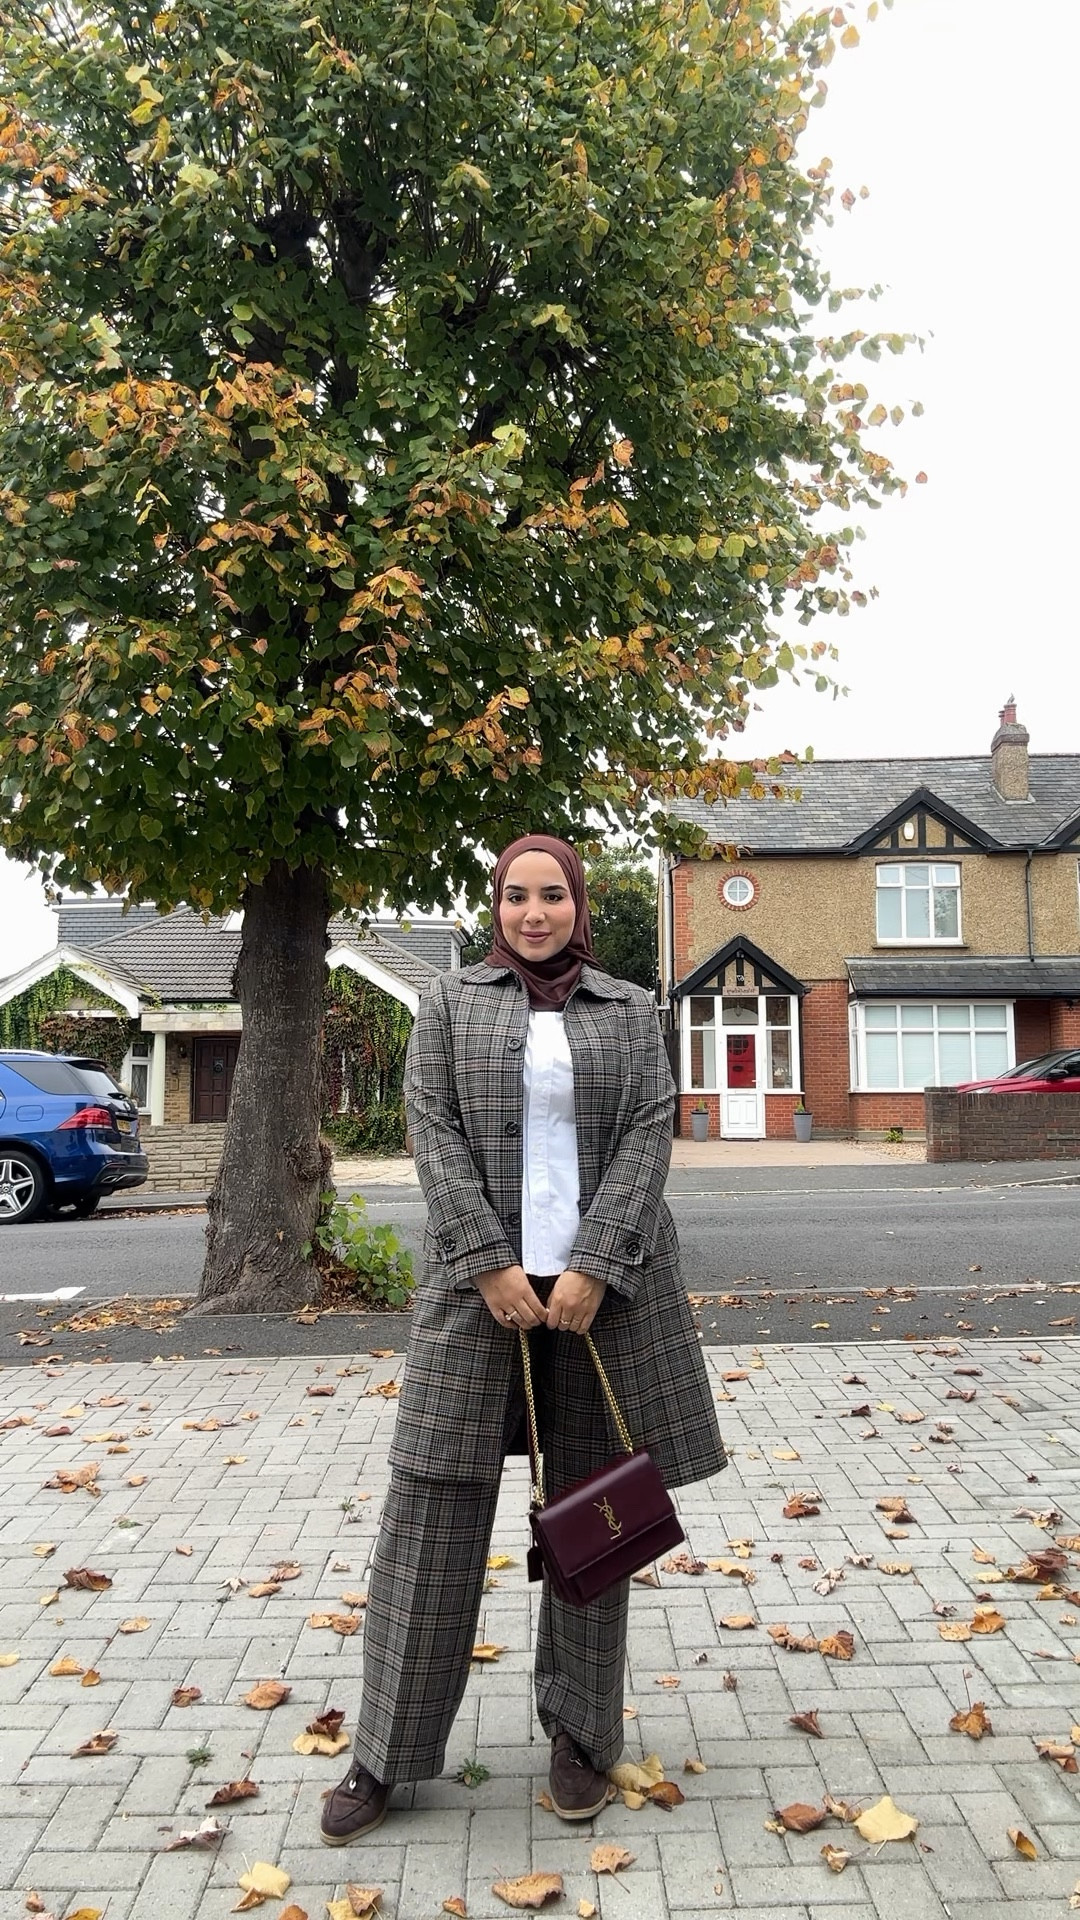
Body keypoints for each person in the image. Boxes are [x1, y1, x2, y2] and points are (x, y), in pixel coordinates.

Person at [321, 834, 726, 1844]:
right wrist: (489, 1262)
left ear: (577, 905)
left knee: (595, 1517)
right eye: (515, 896)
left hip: (603, 1297)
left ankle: (581, 1736)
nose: (533, 913)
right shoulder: (450, 1005)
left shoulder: (630, 1011)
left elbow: (647, 1131)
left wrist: (594, 1264)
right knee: (429, 1511)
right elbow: (435, 1135)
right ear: (494, 906)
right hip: (478, 1294)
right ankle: (386, 1753)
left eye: (552, 896)